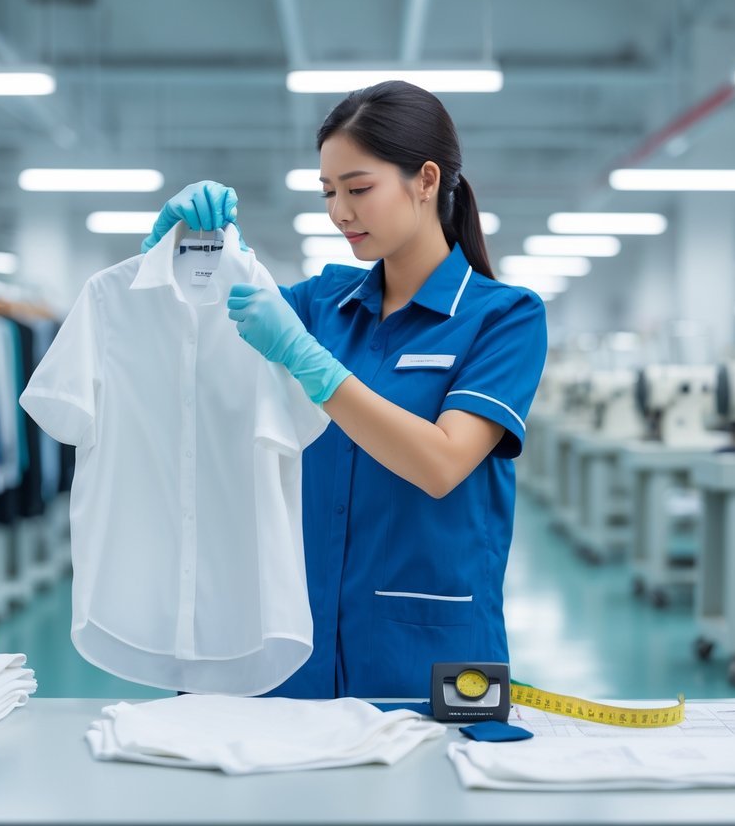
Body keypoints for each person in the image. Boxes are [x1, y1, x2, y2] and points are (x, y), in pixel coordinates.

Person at [143, 80, 547, 699]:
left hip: (430, 657)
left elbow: (441, 463)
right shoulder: (319, 303)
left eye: (359, 189)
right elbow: (194, 350)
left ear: (427, 180)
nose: (339, 212)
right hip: (295, 646)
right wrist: (184, 256)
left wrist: (314, 364)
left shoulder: (504, 318)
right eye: (329, 192)